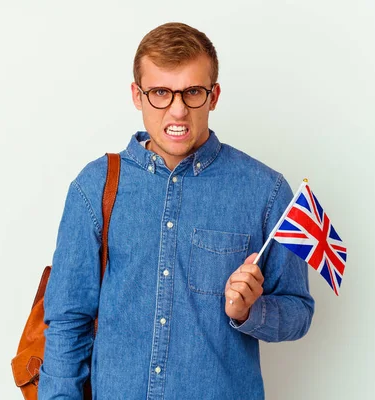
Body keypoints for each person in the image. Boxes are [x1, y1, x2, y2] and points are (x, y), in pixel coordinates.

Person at [39, 22, 314, 400]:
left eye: (192, 92)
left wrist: (251, 311)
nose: (178, 110)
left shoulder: (265, 191)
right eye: (161, 93)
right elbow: (68, 321)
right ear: (137, 95)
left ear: (213, 95)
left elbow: (299, 312)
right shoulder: (96, 186)